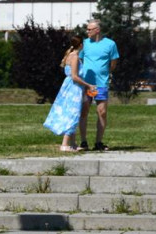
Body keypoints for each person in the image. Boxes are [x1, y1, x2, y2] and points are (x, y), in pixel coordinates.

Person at [43, 35, 95, 152]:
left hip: (68, 87)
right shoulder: (75, 57)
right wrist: (89, 85)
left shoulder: (69, 55)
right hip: (74, 88)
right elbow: (75, 76)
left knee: (71, 112)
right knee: (72, 113)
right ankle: (65, 144)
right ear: (81, 45)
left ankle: (72, 143)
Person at [78, 20, 120, 151]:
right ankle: (83, 142)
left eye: (89, 29)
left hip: (101, 85)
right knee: (84, 111)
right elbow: (79, 59)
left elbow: (113, 62)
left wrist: (107, 73)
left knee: (102, 112)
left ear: (97, 30)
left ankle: (98, 142)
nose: (87, 31)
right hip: (86, 84)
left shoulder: (110, 44)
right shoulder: (84, 44)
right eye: (87, 29)